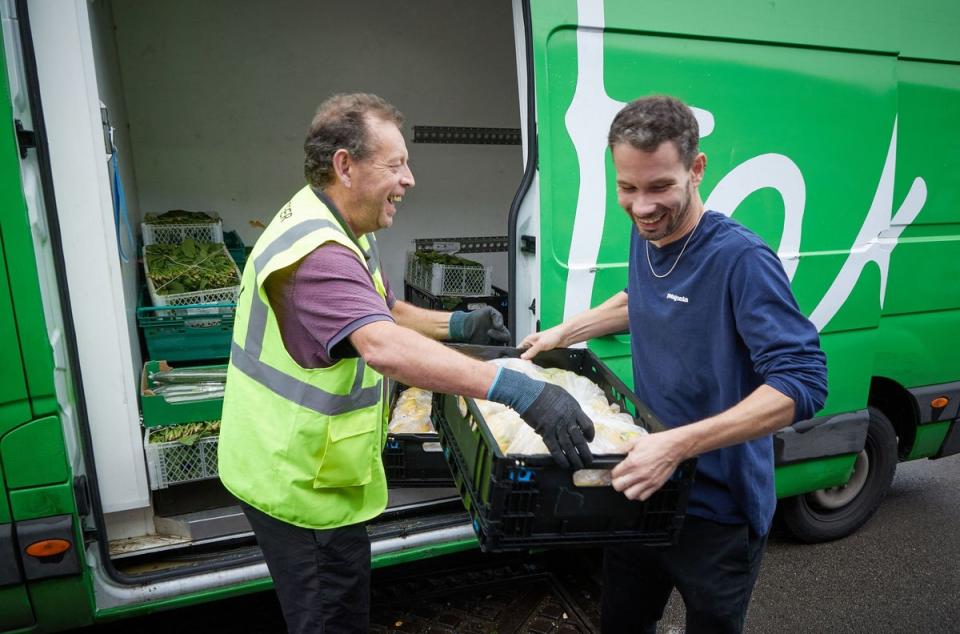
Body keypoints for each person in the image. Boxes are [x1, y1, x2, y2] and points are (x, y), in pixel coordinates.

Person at [217, 93, 595, 634]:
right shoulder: (316, 253)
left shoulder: (338, 222)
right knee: (330, 619)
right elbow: (382, 346)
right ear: (345, 166)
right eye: (395, 165)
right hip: (297, 486)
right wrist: (519, 391)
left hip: (306, 469)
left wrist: (458, 326)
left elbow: (383, 311)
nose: (410, 179)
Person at [520, 95, 828, 633]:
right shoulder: (649, 235)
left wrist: (678, 444)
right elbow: (642, 300)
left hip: (718, 511)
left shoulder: (742, 260)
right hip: (643, 489)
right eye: (628, 188)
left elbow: (802, 381)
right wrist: (566, 332)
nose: (642, 206)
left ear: (697, 169)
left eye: (660, 186)